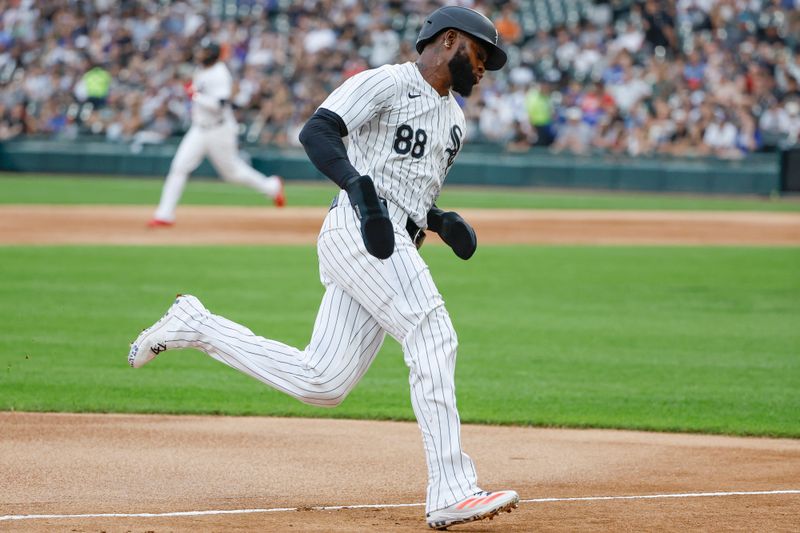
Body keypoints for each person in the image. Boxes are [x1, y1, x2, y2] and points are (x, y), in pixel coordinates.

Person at [128, 6, 518, 530]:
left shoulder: (455, 120)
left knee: (323, 380)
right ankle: (451, 488)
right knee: (432, 332)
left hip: (390, 239)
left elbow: (409, 191)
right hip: (355, 231)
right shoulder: (387, 83)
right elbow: (318, 132)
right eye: (480, 53)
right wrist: (359, 190)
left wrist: (439, 221)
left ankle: (195, 324)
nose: (485, 67)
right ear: (449, 41)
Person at [148, 39, 285, 227]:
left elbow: (220, 106)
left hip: (219, 129)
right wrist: (195, 95)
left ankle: (272, 187)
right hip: (199, 129)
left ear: (212, 54)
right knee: (179, 167)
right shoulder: (201, 69)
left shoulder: (220, 74)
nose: (200, 54)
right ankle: (164, 215)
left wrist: (194, 95)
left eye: (204, 51)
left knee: (233, 173)